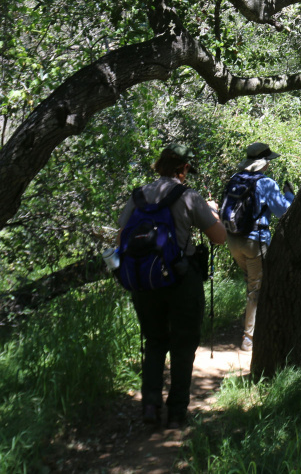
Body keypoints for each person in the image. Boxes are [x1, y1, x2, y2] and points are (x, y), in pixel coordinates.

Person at [117, 144, 227, 429]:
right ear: (184, 168)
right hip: (181, 279)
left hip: (144, 281)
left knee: (155, 342)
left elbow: (121, 239)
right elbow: (219, 237)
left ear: (160, 165)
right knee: (183, 345)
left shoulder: (138, 196)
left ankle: (150, 406)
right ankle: (177, 412)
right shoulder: (188, 196)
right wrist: (213, 213)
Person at [224, 142, 294, 352]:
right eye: (268, 161)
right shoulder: (266, 183)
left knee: (251, 282)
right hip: (254, 241)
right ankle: (249, 339)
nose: (269, 165)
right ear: (263, 163)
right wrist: (290, 195)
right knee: (256, 289)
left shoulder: (235, 179)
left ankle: (251, 323)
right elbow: (284, 212)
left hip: (233, 240)